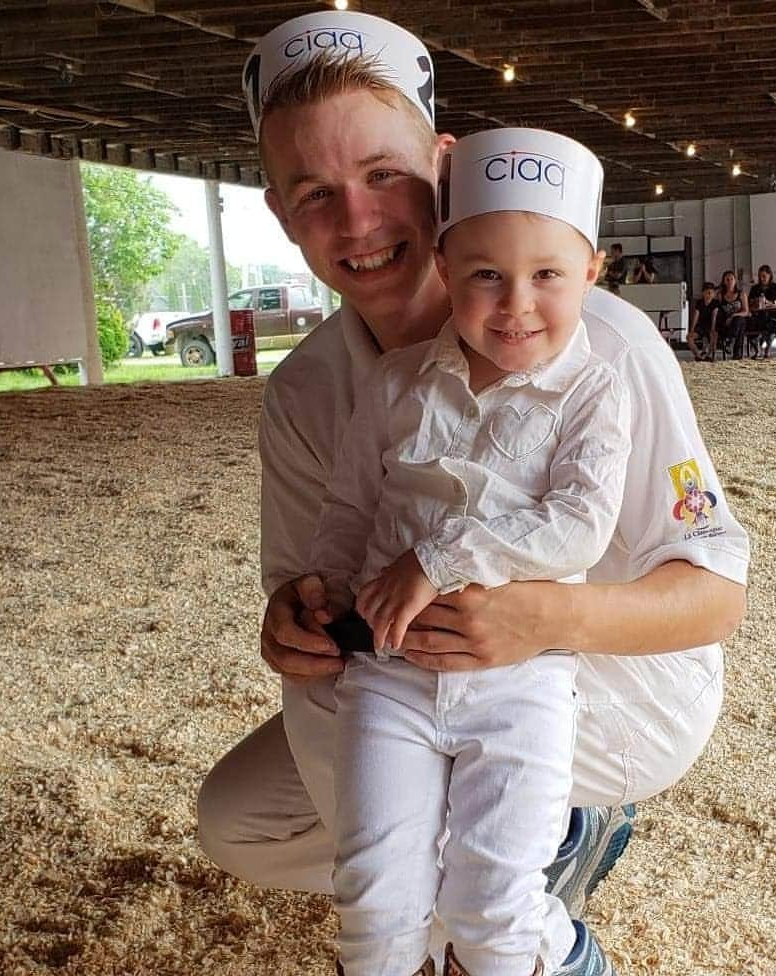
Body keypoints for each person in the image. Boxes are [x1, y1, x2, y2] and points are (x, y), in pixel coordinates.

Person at [197, 11, 749, 976]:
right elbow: (306, 588)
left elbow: (715, 595)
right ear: (282, 215)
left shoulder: (605, 345)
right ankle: (460, 883)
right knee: (238, 819)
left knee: (468, 877)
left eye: (384, 177)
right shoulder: (306, 392)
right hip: (409, 682)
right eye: (316, 193)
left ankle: (521, 888)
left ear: (444, 169)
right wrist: (290, 618)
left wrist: (541, 617)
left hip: (594, 676)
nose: (359, 223)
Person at [315, 127, 631, 976]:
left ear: (592, 273)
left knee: (491, 900)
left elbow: (581, 525)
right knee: (375, 893)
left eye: (548, 275)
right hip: (391, 673)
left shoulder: (598, 389)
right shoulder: (395, 384)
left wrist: (440, 560)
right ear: (447, 271)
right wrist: (328, 596)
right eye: (486, 273)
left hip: (521, 683)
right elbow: (351, 508)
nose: (516, 302)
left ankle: (549, 950)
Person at [748, 265, 776, 359]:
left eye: (764, 276)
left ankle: (767, 349)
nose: (762, 278)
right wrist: (755, 302)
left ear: (770, 276)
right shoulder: (755, 288)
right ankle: (757, 349)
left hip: (772, 313)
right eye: (760, 276)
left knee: (771, 324)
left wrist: (770, 303)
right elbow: (749, 302)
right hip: (758, 314)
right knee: (749, 323)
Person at [711, 269, 750, 360]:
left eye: (731, 279)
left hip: (738, 320)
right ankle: (735, 350)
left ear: (735, 281)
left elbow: (746, 311)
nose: (729, 282)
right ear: (724, 282)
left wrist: (733, 316)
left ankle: (731, 341)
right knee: (739, 324)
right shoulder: (721, 295)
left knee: (739, 321)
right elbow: (715, 307)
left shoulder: (741, 294)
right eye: (727, 280)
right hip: (725, 322)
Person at [687, 281, 719, 361]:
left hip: (711, 326)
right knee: (689, 337)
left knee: (714, 336)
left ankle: (709, 355)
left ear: (714, 294)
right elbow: (696, 316)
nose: (709, 295)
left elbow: (714, 317)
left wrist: (712, 329)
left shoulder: (715, 303)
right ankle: (698, 355)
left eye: (711, 292)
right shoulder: (699, 303)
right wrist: (692, 329)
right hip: (701, 327)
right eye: (707, 292)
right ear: (703, 293)